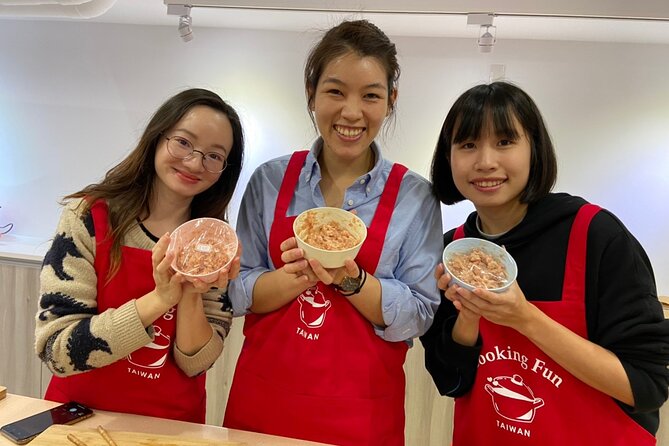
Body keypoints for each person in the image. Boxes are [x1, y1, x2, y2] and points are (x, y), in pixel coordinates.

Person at [223, 19, 443, 445]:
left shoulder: (414, 197)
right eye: (335, 91)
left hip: (362, 415)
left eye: (371, 96)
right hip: (263, 406)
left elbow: (418, 313)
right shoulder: (269, 181)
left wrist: (350, 278)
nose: (351, 112)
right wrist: (294, 276)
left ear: (390, 101)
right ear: (311, 93)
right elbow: (235, 289)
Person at [421, 81, 669, 445]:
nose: (486, 161)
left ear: (534, 149)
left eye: (505, 142)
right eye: (468, 144)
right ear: (449, 158)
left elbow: (647, 386)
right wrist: (469, 315)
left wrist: (524, 318)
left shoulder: (595, 235)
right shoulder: (451, 253)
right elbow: (451, 382)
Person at [35, 88, 245, 423]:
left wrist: (191, 292)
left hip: (171, 426)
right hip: (79, 418)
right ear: (157, 138)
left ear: (225, 169)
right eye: (184, 142)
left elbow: (197, 363)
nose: (194, 162)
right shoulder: (90, 217)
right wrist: (160, 299)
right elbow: (58, 350)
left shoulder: (215, 244)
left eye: (214, 156)